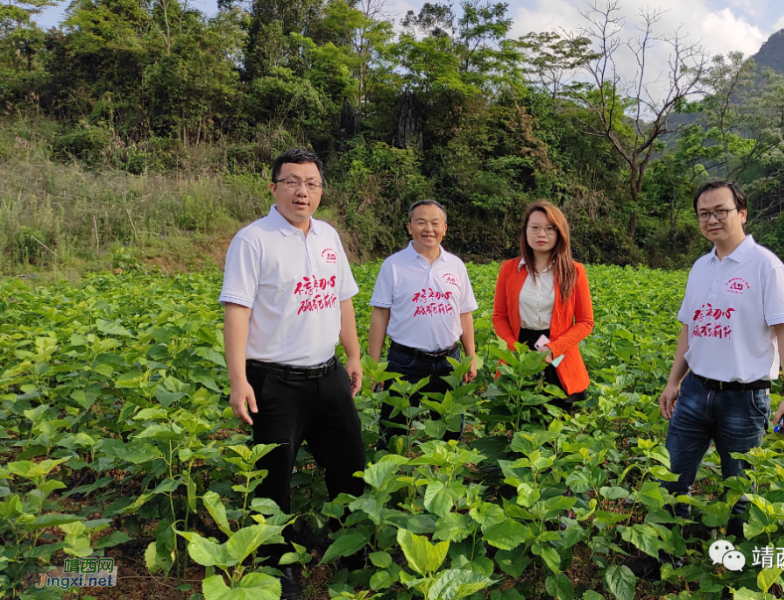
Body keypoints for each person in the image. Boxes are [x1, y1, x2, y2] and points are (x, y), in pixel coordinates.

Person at [628, 181, 784, 579]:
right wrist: (674, 381)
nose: (712, 219)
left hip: (744, 398)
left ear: (742, 213)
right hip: (695, 389)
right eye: (704, 213)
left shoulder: (765, 266)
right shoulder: (700, 267)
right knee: (672, 476)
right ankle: (666, 558)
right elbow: (689, 329)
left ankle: (732, 569)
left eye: (720, 211)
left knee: (739, 491)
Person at [219, 148, 366, 600]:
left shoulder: (328, 236)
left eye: (312, 183)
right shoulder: (253, 240)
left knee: (350, 469)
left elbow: (343, 299)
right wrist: (239, 378)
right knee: (271, 478)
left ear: (321, 190)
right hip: (274, 381)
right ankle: (276, 569)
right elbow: (237, 311)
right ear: (274, 187)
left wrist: (354, 355)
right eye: (293, 182)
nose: (303, 191)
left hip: (328, 376)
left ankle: (355, 556)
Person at [368, 199, 478, 449]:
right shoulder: (393, 265)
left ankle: (446, 477)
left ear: (445, 229)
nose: (428, 229)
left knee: (450, 430)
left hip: (449, 361)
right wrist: (374, 365)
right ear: (409, 227)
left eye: (435, 223)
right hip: (405, 361)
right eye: (421, 222)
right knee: (393, 430)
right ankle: (391, 482)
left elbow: (465, 314)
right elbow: (380, 315)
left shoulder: (456, 266)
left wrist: (470, 356)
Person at [492, 201, 594, 410]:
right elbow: (499, 317)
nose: (542, 234)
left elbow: (585, 322)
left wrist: (552, 349)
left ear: (560, 233)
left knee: (556, 424)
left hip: (558, 351)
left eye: (550, 229)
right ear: (526, 231)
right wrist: (515, 349)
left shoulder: (575, 272)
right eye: (535, 227)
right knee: (520, 421)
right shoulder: (509, 269)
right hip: (519, 348)